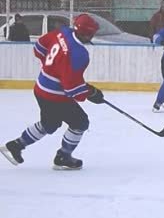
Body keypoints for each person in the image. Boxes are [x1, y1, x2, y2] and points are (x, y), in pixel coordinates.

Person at [0, 14, 104, 170]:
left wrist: (51, 68)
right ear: (87, 33)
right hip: (55, 97)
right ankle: (63, 156)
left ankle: (15, 146)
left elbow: (39, 48)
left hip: (41, 88)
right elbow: (72, 88)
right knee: (80, 123)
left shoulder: (63, 32)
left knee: (50, 124)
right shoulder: (79, 54)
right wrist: (91, 93)